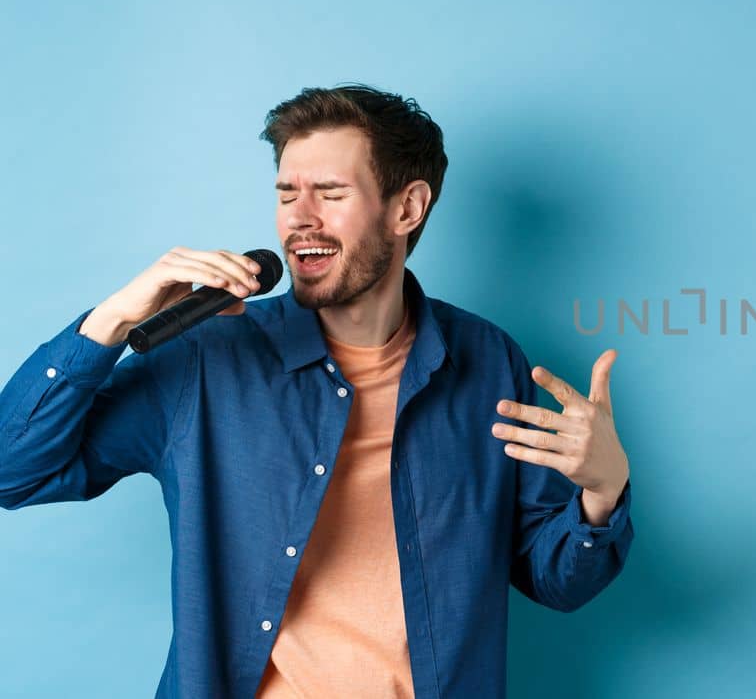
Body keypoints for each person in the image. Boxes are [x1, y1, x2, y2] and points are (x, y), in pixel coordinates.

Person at [0, 83, 635, 698]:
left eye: (330, 193)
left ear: (406, 208)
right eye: (286, 194)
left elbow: (557, 580)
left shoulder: (488, 360)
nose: (300, 220)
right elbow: (13, 473)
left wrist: (601, 493)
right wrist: (108, 323)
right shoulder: (206, 358)